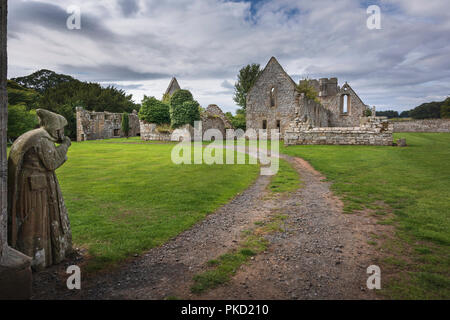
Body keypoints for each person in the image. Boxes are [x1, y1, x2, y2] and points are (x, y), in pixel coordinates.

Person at [8, 109, 72, 270]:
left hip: (30, 185)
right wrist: (65, 145)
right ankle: (36, 257)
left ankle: (37, 255)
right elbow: (52, 162)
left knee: (36, 220)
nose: (62, 132)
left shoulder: (33, 135)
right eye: (61, 129)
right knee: (36, 221)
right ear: (55, 127)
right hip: (34, 188)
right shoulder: (42, 139)